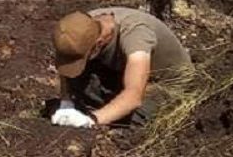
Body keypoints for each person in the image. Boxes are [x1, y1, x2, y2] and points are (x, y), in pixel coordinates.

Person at [51, 7, 191, 127]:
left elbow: (134, 95)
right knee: (80, 84)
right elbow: (67, 66)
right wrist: (66, 102)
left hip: (167, 83)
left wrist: (91, 120)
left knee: (135, 116)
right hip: (123, 70)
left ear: (98, 44)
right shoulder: (78, 27)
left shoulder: (136, 35)